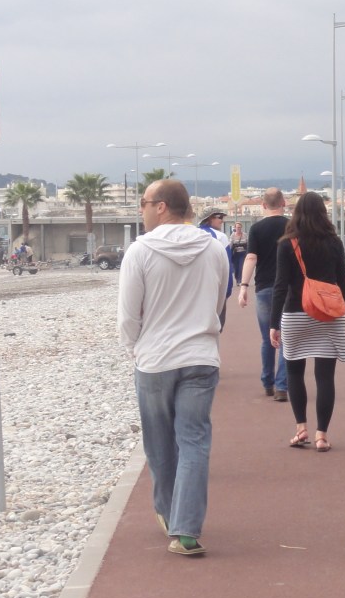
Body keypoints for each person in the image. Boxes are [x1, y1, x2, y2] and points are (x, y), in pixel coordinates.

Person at [118, 180, 229, 556]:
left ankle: (168, 513)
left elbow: (128, 314)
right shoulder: (214, 249)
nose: (142, 210)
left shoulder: (140, 251)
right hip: (200, 356)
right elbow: (218, 302)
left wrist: (135, 348)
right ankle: (186, 531)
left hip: (155, 360)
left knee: (159, 444)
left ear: (162, 207)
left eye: (144, 203)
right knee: (195, 440)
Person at [269, 191, 345, 453]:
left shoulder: (287, 244)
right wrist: (342, 313)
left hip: (295, 313)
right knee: (325, 377)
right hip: (328, 314)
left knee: (294, 372)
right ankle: (322, 435)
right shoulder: (334, 242)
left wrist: (274, 323)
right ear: (322, 213)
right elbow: (342, 282)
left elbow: (280, 286)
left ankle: (300, 428)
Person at [237, 188, 289, 401]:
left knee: (267, 337)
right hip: (289, 288)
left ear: (263, 205)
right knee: (287, 339)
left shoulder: (257, 229)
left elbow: (250, 258)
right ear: (283, 203)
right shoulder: (292, 226)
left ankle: (267, 381)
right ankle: (282, 386)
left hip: (265, 287)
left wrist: (243, 286)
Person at [197, 208, 234, 329]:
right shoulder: (220, 237)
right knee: (216, 328)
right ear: (209, 218)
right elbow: (227, 267)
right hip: (215, 288)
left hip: (196, 289)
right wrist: (227, 292)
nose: (222, 221)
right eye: (219, 217)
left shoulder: (193, 234)